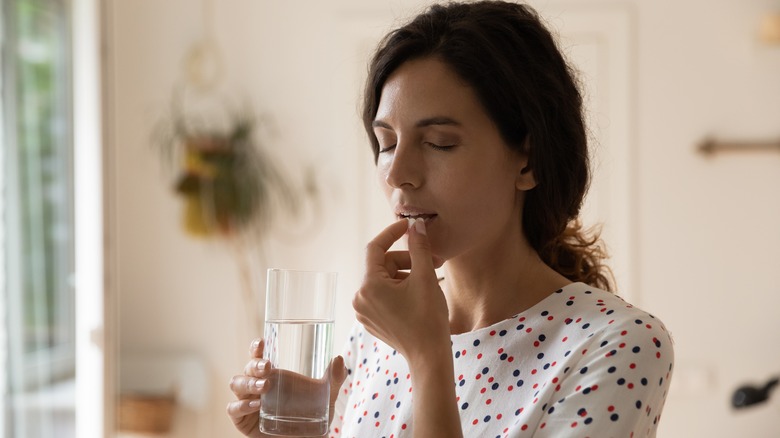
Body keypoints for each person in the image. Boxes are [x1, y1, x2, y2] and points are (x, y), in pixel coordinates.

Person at [227, 1, 674, 437]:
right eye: (385, 143)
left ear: (527, 162)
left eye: (439, 142)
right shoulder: (376, 337)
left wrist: (427, 357)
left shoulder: (617, 343)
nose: (398, 173)